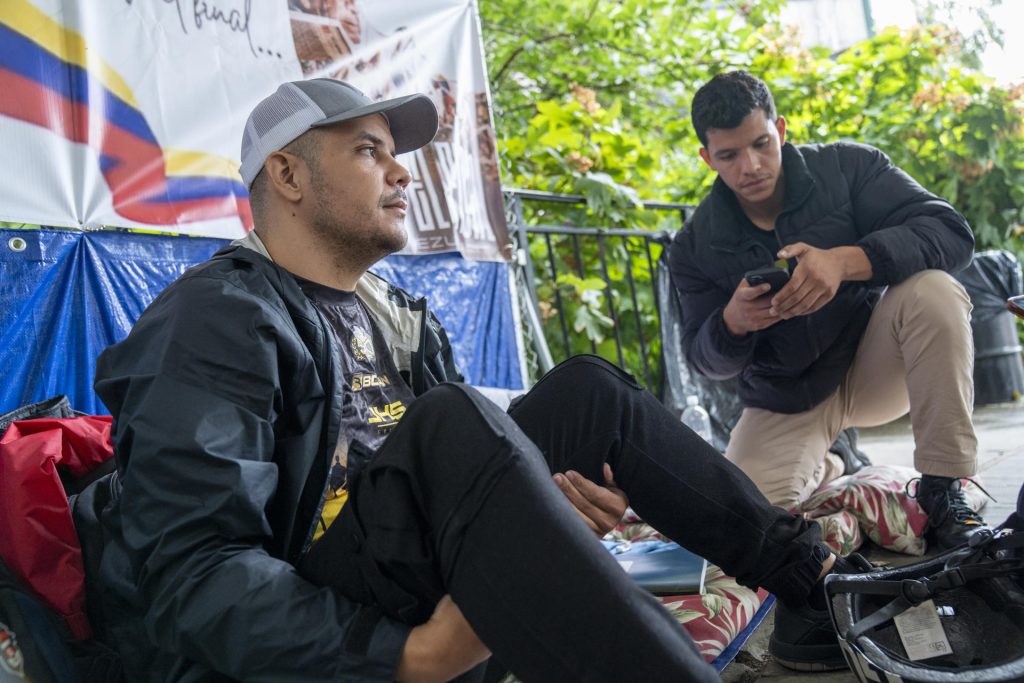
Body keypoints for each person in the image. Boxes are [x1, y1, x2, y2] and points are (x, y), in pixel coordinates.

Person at [93, 77, 860, 681]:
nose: (400, 170)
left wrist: (543, 506)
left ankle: (816, 585)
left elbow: (461, 483)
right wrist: (408, 656)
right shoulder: (217, 319)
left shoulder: (392, 313)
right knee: (455, 417)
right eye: (367, 150)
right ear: (287, 174)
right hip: (341, 640)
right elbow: (193, 574)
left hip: (422, 579)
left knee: (585, 392)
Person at [669, 71, 985, 551]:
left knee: (934, 290)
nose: (750, 166)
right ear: (706, 157)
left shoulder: (849, 167)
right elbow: (702, 360)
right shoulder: (693, 246)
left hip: (874, 368)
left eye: (761, 143)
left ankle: (943, 488)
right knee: (744, 531)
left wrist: (846, 262)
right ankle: (833, 461)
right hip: (785, 399)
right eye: (729, 156)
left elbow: (951, 233)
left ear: (782, 128)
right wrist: (733, 323)